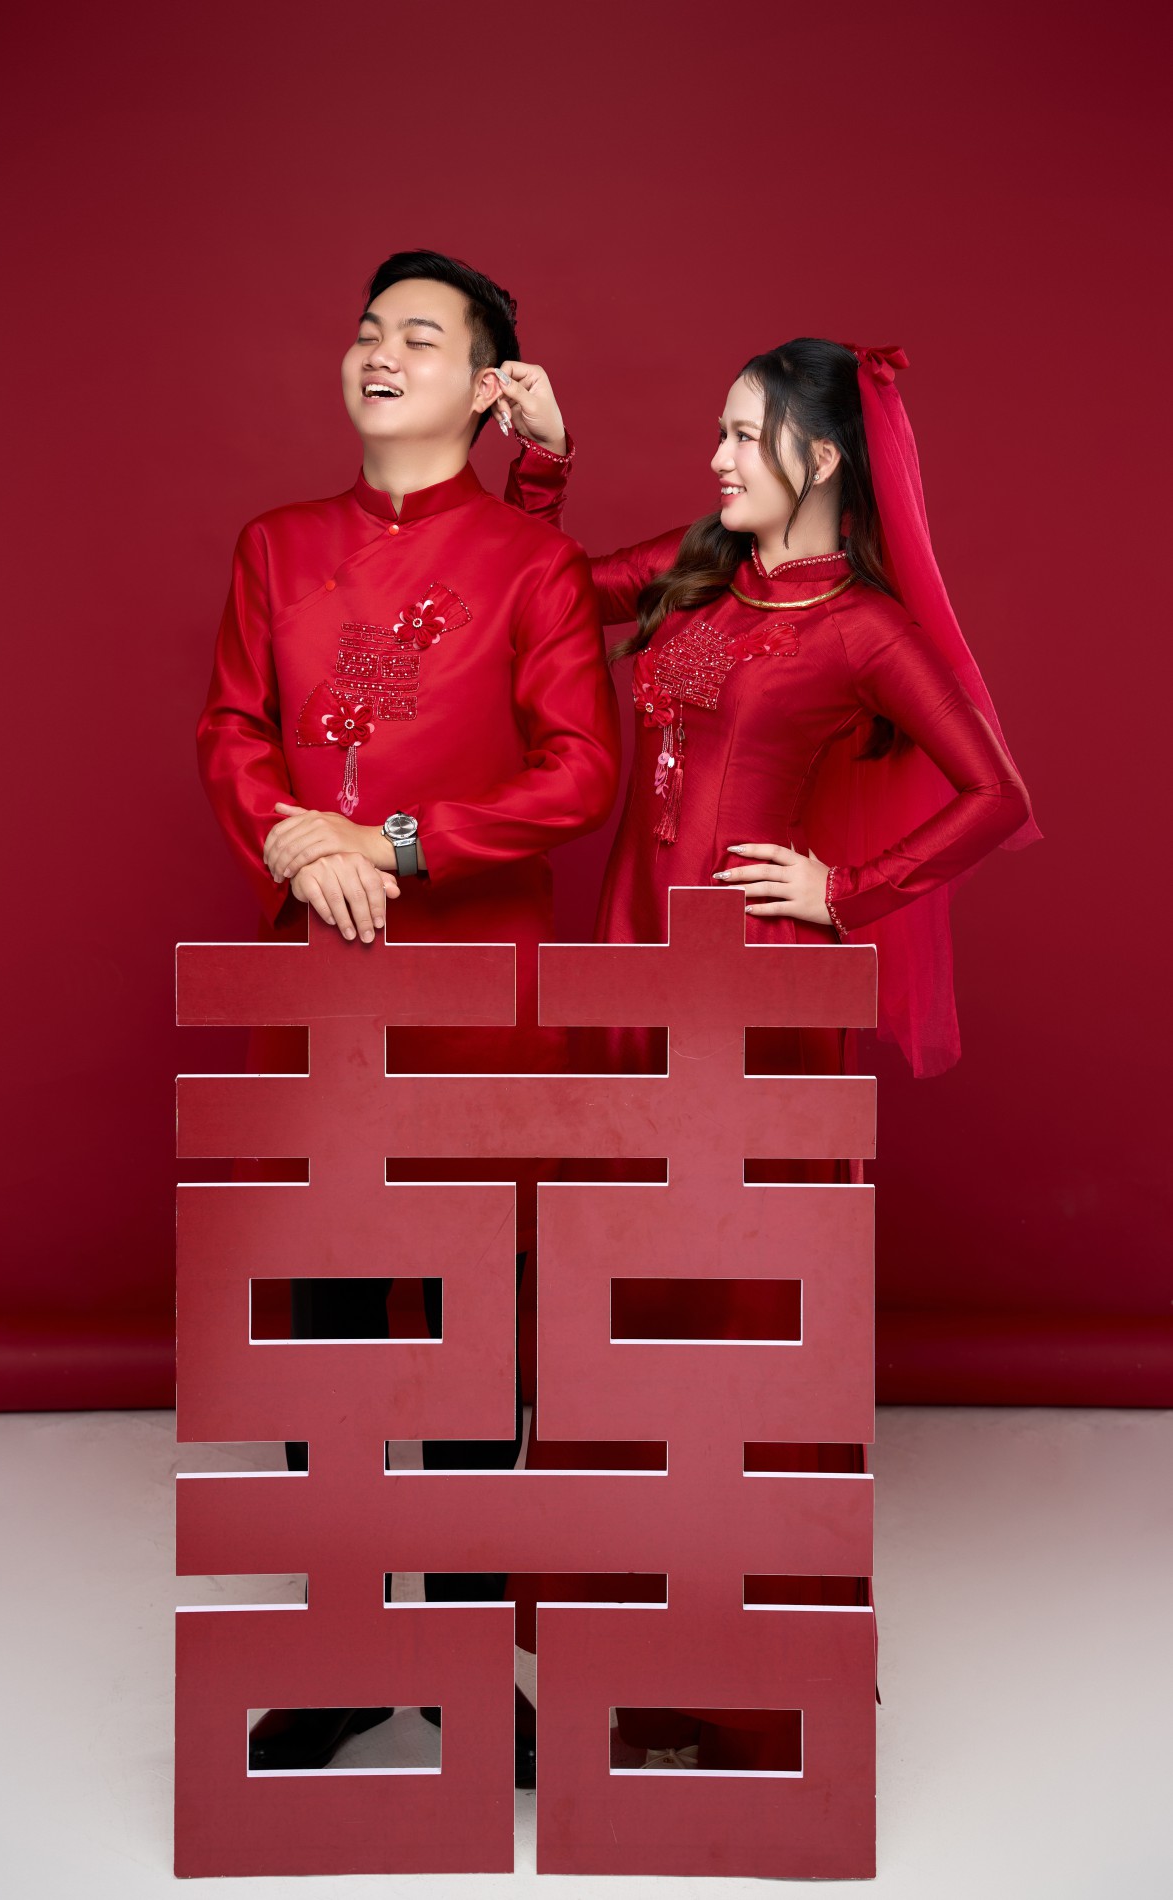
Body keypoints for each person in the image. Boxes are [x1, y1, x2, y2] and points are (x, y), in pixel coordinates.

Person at [495, 336, 1036, 1767]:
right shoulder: (696, 573)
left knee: (736, 1325)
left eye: (745, 434)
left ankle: (746, 1689)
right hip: (625, 984)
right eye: (720, 432)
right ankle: (624, 1667)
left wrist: (844, 891)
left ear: (823, 457)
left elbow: (994, 793)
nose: (719, 457)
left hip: (749, 1009)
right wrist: (542, 462)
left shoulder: (864, 630)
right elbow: (544, 596)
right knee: (614, 1317)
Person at [196, 249, 619, 1781]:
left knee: (467, 1341)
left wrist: (396, 846)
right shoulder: (275, 545)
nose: (380, 351)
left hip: (476, 997)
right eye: (370, 328)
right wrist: (294, 842)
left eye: (421, 336)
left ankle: (456, 1656)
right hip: (320, 987)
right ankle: (340, 1651)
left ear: (485, 384)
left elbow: (582, 773)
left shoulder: (531, 566)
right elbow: (233, 727)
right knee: (318, 1330)